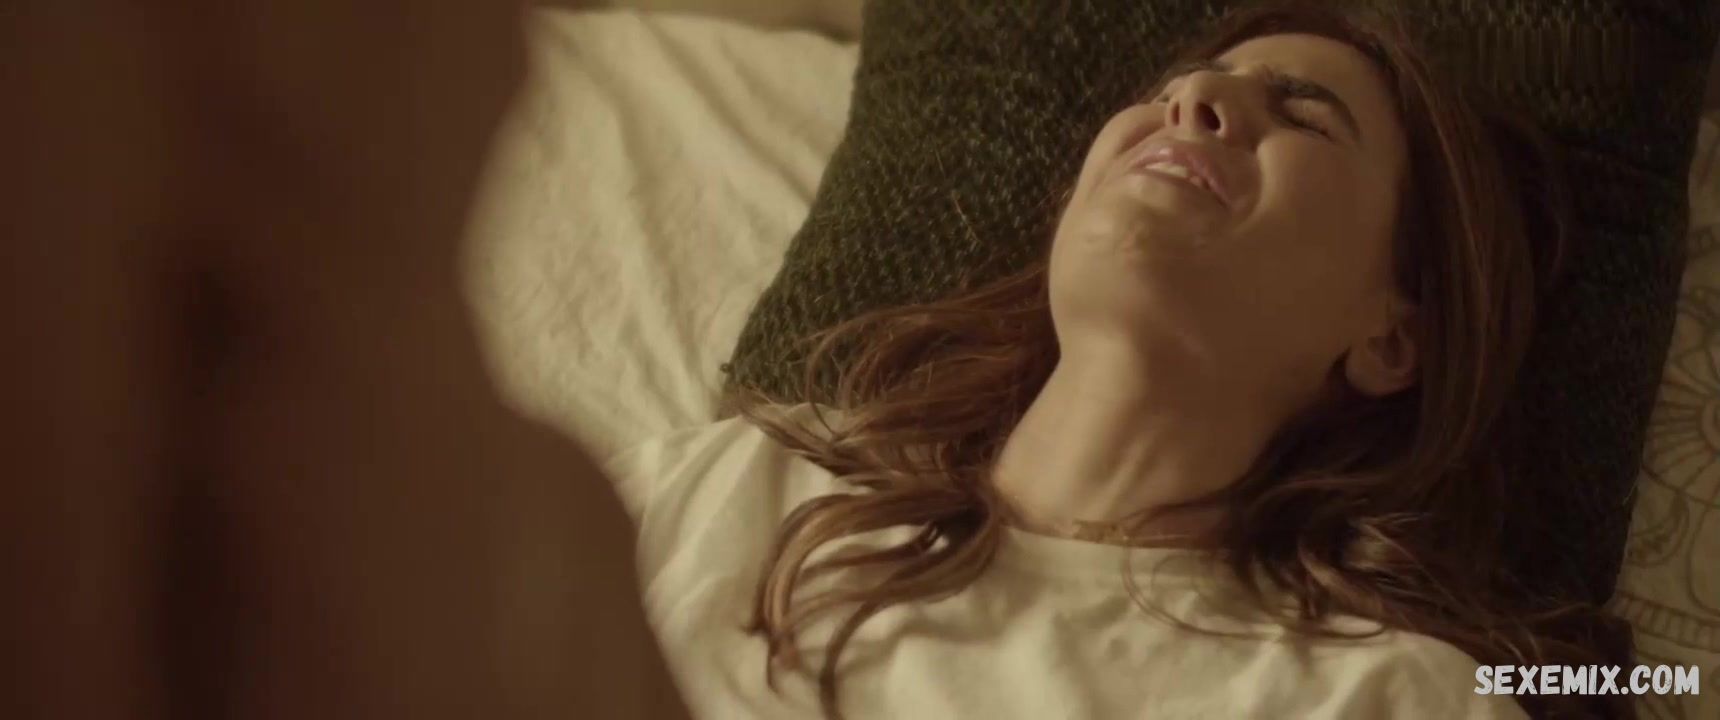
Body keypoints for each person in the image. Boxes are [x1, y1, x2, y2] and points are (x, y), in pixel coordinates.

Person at [609, 4, 1633, 719]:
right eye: (1177, 88)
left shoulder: (1388, 699)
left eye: (1304, 115)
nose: (1195, 100)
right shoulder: (731, 492)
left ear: (1392, 336)